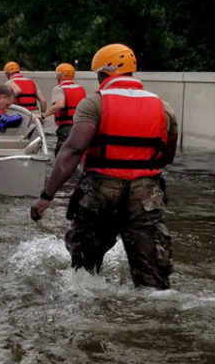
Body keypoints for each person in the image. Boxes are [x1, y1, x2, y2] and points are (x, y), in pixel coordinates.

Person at [30, 43, 179, 290]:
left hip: (101, 190)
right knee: (153, 280)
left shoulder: (94, 104)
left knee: (84, 273)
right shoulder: (164, 107)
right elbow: (167, 156)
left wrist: (46, 196)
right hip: (147, 194)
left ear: (102, 74)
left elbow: (72, 151)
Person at [39, 63, 87, 156]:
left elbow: (60, 105)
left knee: (62, 155)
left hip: (67, 127)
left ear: (60, 75)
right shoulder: (80, 88)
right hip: (80, 125)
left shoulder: (58, 88)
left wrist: (43, 115)